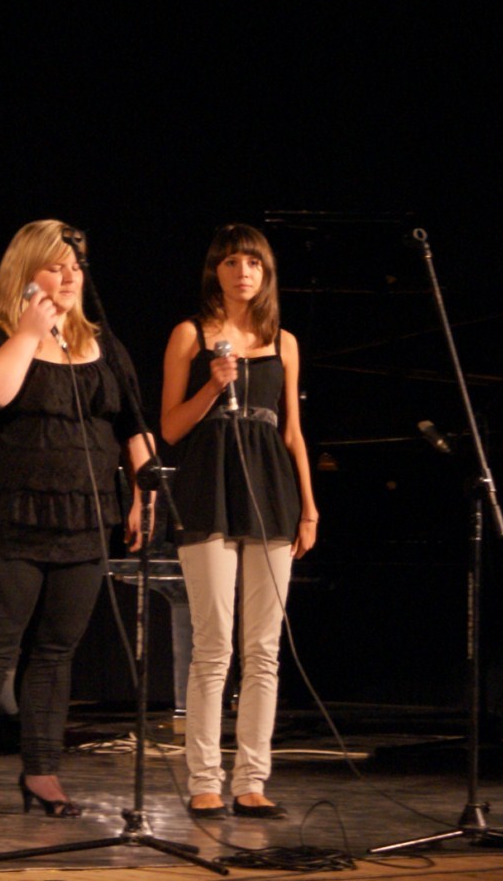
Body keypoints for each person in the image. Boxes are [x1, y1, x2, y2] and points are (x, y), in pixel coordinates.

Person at [0, 220, 155, 820]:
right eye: (54, 266)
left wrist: (144, 492)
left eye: (75, 267)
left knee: (57, 652)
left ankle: (42, 772)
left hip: (85, 519)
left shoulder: (104, 344)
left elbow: (133, 425)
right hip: (6, 519)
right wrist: (31, 332)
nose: (68, 277)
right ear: (25, 272)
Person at [161, 223, 318, 820]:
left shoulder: (285, 342)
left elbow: (293, 433)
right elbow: (169, 428)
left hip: (271, 491)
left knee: (264, 649)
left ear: (266, 272)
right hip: (208, 489)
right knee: (213, 644)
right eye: (231, 262)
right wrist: (212, 385)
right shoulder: (190, 335)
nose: (242, 272)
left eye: (252, 262)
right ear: (216, 272)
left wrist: (308, 506)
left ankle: (252, 780)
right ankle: (204, 778)